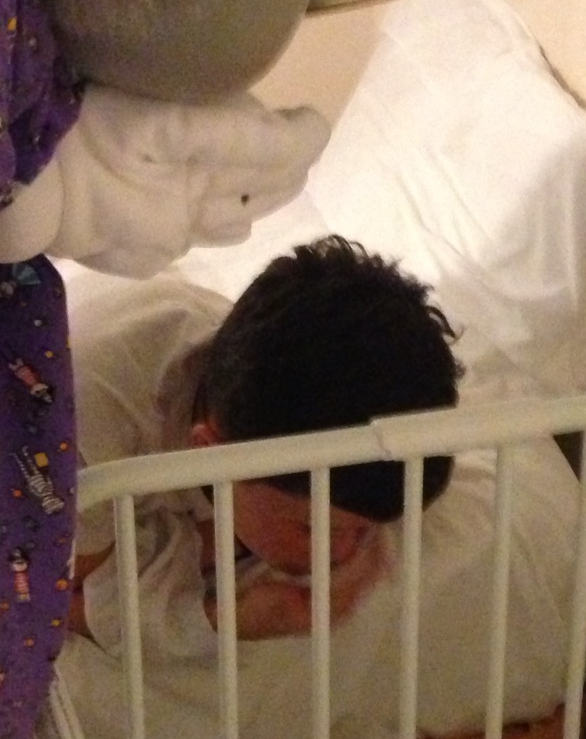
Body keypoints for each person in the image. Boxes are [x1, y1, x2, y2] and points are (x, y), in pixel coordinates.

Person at [67, 235, 462, 651]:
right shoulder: (87, 436)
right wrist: (228, 618)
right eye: (312, 528)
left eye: (363, 531)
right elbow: (57, 600)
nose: (342, 553)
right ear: (209, 457)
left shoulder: (259, 381)